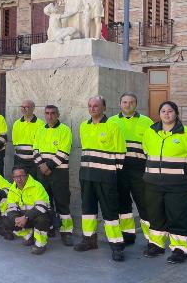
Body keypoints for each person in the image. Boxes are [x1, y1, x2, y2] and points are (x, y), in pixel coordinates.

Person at [142, 101, 187, 264]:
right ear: (159, 113)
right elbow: (146, 151)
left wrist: (184, 171)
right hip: (153, 183)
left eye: (170, 111)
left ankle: (179, 250)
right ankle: (156, 245)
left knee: (178, 215)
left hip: (179, 185)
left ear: (176, 113)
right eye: (163, 111)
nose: (166, 114)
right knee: (155, 215)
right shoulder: (150, 132)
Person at [75, 96, 126, 262]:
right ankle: (89, 240)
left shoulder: (113, 126)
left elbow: (120, 153)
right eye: (90, 106)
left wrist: (112, 173)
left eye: (96, 106)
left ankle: (117, 246)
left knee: (110, 213)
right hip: (87, 176)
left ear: (104, 107)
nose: (92, 108)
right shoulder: (84, 126)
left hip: (106, 177)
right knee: (88, 211)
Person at [110, 92, 153, 245]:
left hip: (139, 170)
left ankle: (152, 239)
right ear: (120, 104)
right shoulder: (111, 121)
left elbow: (152, 147)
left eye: (131, 102)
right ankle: (128, 235)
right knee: (123, 204)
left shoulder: (147, 122)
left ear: (136, 104)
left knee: (144, 204)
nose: (128, 105)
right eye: (125, 102)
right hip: (119, 170)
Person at [32, 105, 74, 246]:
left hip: (59, 172)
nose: (49, 116)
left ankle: (66, 232)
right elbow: (35, 150)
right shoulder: (40, 129)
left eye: (53, 113)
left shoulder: (65, 130)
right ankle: (49, 227)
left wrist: (48, 166)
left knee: (62, 202)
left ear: (58, 114)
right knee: (46, 201)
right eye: (47, 113)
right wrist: (42, 166)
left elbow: (63, 152)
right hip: (42, 172)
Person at [1, 166, 51, 255]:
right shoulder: (12, 189)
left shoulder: (37, 186)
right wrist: (15, 218)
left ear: (27, 176)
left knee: (42, 219)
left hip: (37, 215)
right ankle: (28, 236)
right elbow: (11, 207)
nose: (19, 179)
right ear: (13, 178)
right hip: (24, 217)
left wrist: (26, 217)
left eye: (21, 176)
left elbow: (42, 206)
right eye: (16, 177)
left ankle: (40, 244)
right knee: (6, 220)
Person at [12, 99, 44, 178]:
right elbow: (15, 142)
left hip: (33, 161)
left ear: (33, 108)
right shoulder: (17, 123)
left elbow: (41, 143)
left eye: (26, 107)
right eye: (22, 107)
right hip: (19, 160)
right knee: (19, 182)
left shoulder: (40, 124)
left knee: (32, 183)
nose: (23, 109)